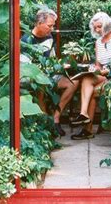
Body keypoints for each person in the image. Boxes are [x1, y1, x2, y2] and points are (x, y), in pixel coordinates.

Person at [21, 8, 79, 137]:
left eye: (53, 25)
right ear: (39, 23)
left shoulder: (49, 37)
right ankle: (44, 123)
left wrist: (60, 65)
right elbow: (25, 68)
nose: (52, 29)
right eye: (50, 25)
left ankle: (55, 118)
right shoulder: (26, 40)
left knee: (73, 82)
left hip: (49, 75)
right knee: (41, 86)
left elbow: (52, 59)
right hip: (35, 78)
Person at [70, 12, 111, 140]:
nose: (97, 30)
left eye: (99, 27)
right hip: (103, 75)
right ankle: (84, 116)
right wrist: (95, 68)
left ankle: (86, 125)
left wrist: (106, 71)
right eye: (95, 27)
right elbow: (98, 64)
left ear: (107, 25)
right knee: (87, 78)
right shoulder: (98, 42)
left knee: (90, 89)